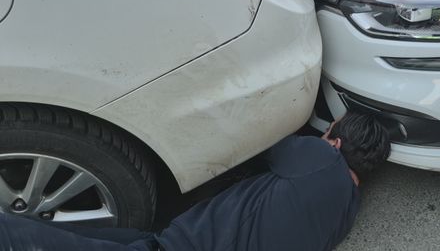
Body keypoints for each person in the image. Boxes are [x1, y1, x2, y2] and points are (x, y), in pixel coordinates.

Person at [0, 110, 390, 251]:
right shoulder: (346, 212)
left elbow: (268, 141)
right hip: (163, 240)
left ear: (336, 142)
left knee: (19, 240)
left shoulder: (323, 159)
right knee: (107, 236)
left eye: (328, 132)